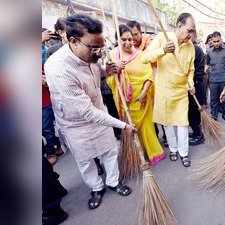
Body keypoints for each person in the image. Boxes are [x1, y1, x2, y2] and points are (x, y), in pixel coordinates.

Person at [44, 14, 133, 210]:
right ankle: (96, 187)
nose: (98, 53)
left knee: (110, 151)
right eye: (94, 48)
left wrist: (105, 71)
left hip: (100, 112)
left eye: (101, 47)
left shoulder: (89, 53)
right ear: (73, 41)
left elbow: (94, 70)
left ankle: (112, 181)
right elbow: (87, 112)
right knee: (85, 160)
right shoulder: (58, 68)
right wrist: (123, 125)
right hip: (77, 123)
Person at [106, 24, 165, 166]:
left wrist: (144, 93)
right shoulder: (113, 56)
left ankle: (153, 153)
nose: (128, 42)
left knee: (146, 127)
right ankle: (137, 155)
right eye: (123, 39)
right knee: (131, 129)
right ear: (117, 40)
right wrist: (116, 70)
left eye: (130, 39)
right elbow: (109, 80)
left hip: (143, 99)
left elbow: (148, 75)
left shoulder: (140, 54)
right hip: (125, 102)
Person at [143, 12, 196, 167]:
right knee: (167, 124)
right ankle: (173, 149)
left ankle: (183, 153)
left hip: (181, 92)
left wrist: (190, 83)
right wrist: (163, 50)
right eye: (189, 30)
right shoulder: (162, 38)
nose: (191, 34)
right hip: (164, 91)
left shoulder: (190, 46)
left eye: (192, 31)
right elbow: (145, 58)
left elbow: (190, 70)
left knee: (182, 123)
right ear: (179, 26)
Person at [42, 28, 62, 165]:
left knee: (47, 126)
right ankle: (55, 146)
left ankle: (52, 150)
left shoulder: (45, 51)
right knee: (45, 127)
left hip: (45, 98)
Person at [205, 31, 225, 122]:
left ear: (221, 40)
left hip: (224, 79)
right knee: (213, 99)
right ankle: (214, 115)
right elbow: (207, 63)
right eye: (214, 41)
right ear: (211, 41)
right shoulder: (209, 51)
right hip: (213, 79)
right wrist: (206, 70)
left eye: (218, 41)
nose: (216, 43)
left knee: (224, 99)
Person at [189, 32, 207, 145]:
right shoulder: (194, 49)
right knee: (192, 112)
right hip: (194, 84)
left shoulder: (195, 50)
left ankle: (198, 135)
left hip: (195, 85)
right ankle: (196, 132)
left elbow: (197, 72)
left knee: (193, 112)